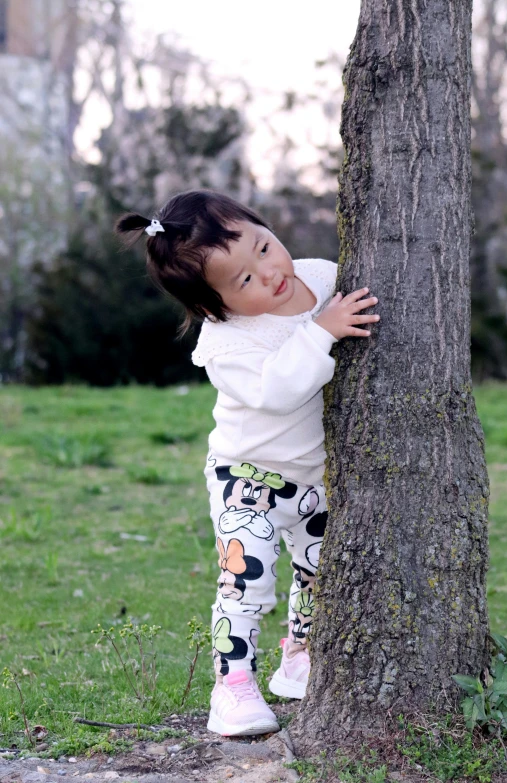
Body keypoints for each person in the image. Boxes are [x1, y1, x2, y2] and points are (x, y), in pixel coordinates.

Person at [115, 190, 380, 737]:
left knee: (322, 571)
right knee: (246, 581)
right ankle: (231, 687)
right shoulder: (226, 344)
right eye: (242, 281)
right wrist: (320, 330)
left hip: (315, 477)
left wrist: (325, 317)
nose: (268, 273)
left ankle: (299, 657)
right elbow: (279, 390)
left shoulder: (322, 278)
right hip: (248, 478)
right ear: (214, 305)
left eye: (263, 247)